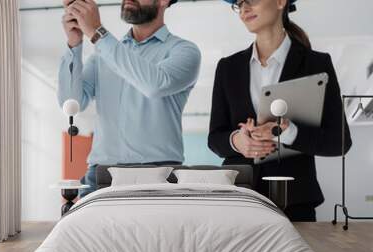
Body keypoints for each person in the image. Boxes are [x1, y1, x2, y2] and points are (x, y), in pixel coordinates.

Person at [208, 0, 352, 221]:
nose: (244, 8)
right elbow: (215, 138)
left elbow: (340, 141)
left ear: (279, 2)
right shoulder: (228, 67)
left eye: (251, 0)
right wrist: (238, 141)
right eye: (238, 3)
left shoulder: (316, 64)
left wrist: (286, 132)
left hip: (295, 201)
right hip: (239, 198)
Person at [58, 0, 201, 197]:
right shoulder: (103, 54)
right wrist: (74, 45)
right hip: (101, 175)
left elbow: (154, 85)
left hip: (158, 175)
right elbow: (71, 104)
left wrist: (98, 32)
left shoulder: (184, 51)